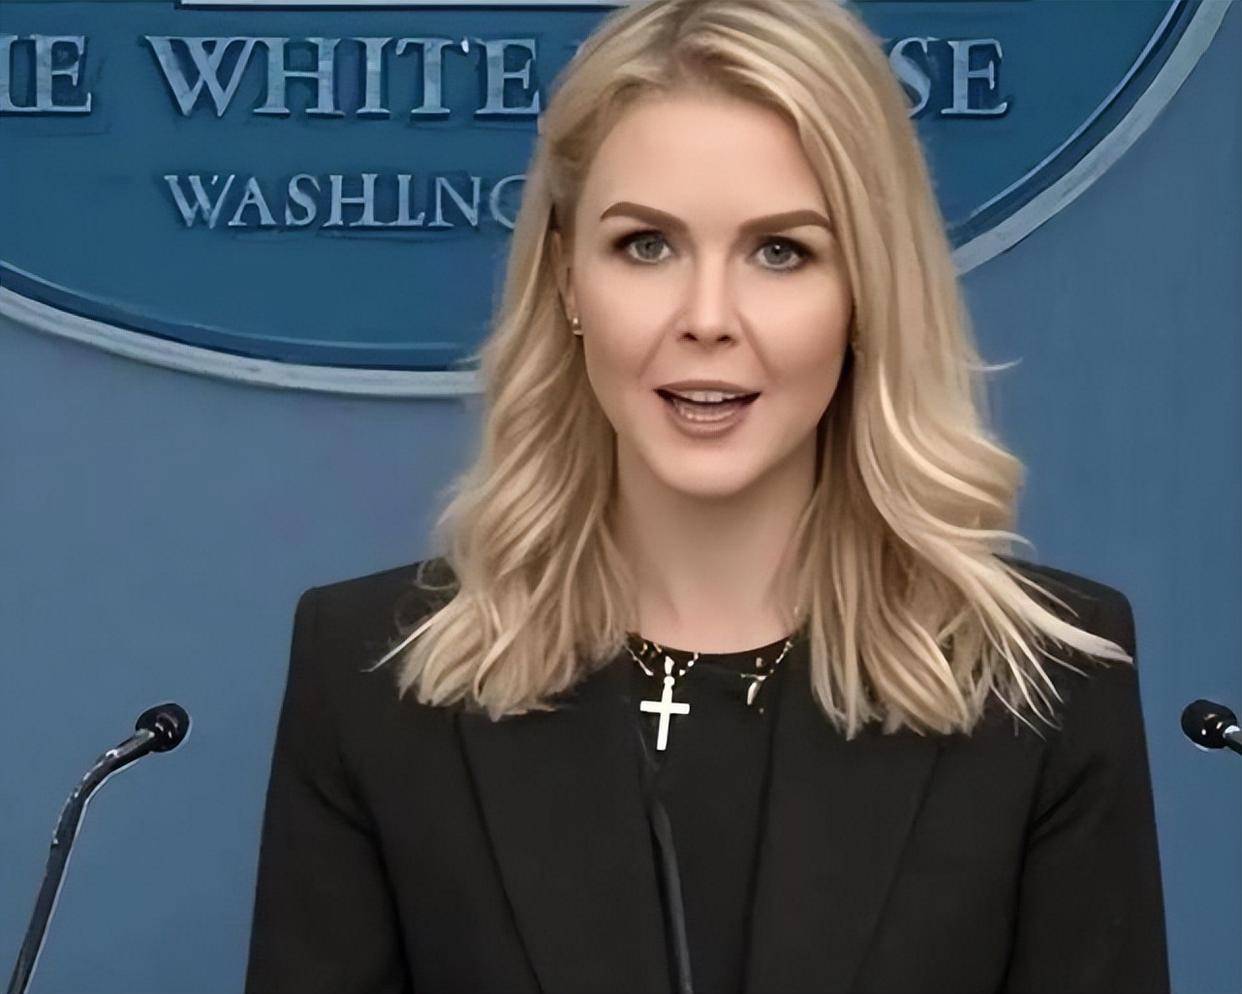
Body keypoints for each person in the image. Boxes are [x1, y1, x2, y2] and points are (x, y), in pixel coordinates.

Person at [243, 1, 1171, 991]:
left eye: (781, 252)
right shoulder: (371, 678)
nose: (707, 318)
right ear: (566, 279)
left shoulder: (1044, 688)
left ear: (868, 292)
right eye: (647, 245)